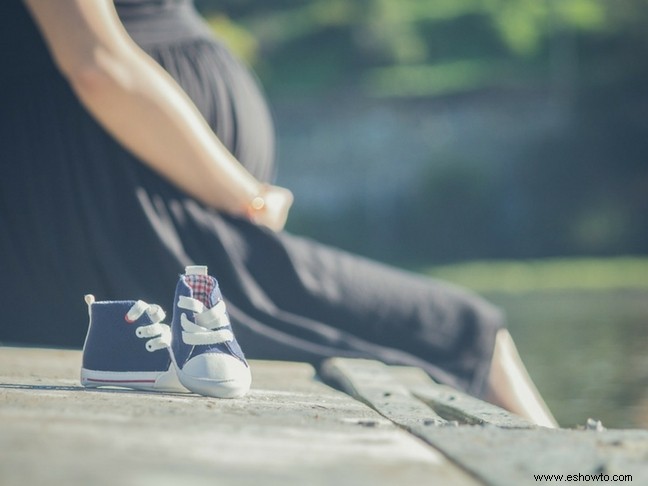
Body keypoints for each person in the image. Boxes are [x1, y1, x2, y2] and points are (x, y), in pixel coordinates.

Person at [0, 0, 556, 427]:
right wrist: (246, 194)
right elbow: (97, 63)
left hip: (152, 219)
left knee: (463, 333)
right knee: (462, 330)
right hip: (119, 222)